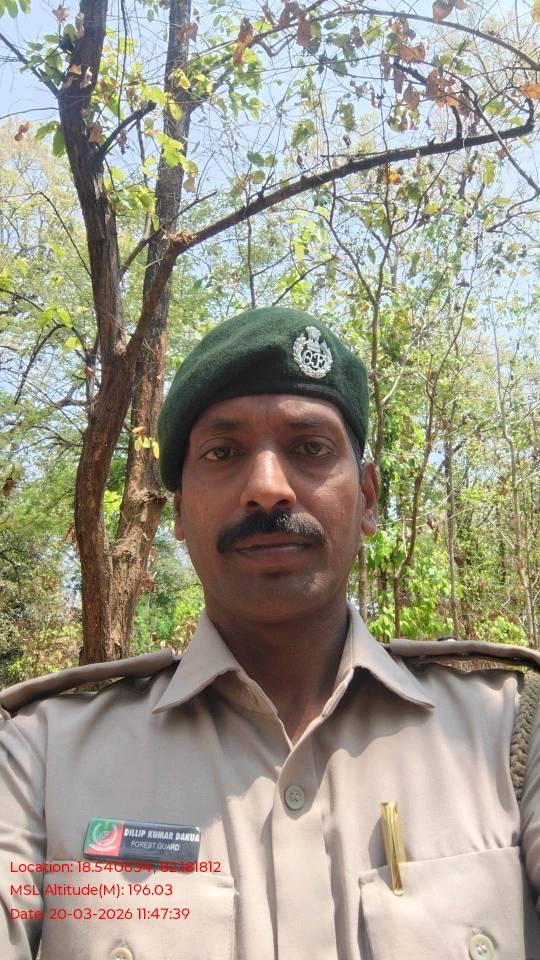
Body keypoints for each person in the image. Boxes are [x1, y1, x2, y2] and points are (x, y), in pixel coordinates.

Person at [1, 305, 540, 960]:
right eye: (222, 453)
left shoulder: (511, 733)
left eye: (310, 448)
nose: (266, 487)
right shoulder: (38, 760)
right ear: (178, 512)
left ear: (368, 499)